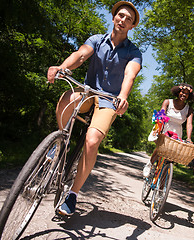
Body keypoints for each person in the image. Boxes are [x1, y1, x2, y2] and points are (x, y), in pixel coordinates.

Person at [47, 1, 142, 216]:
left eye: (128, 19)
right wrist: (62, 67)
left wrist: (123, 96)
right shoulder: (97, 40)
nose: (123, 20)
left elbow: (130, 75)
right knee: (67, 98)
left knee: (91, 141)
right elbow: (80, 55)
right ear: (113, 17)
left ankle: (73, 195)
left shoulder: (134, 52)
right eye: (120, 15)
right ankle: (61, 143)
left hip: (109, 101)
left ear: (132, 26)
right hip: (89, 92)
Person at [143, 83, 194, 177]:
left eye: (186, 93)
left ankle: (162, 186)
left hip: (177, 132)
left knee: (170, 157)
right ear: (178, 92)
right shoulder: (168, 102)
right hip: (164, 127)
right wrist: (158, 128)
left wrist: (189, 138)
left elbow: (189, 124)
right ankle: (149, 164)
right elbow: (162, 113)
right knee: (160, 148)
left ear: (189, 96)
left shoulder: (189, 109)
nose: (184, 94)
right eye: (182, 92)